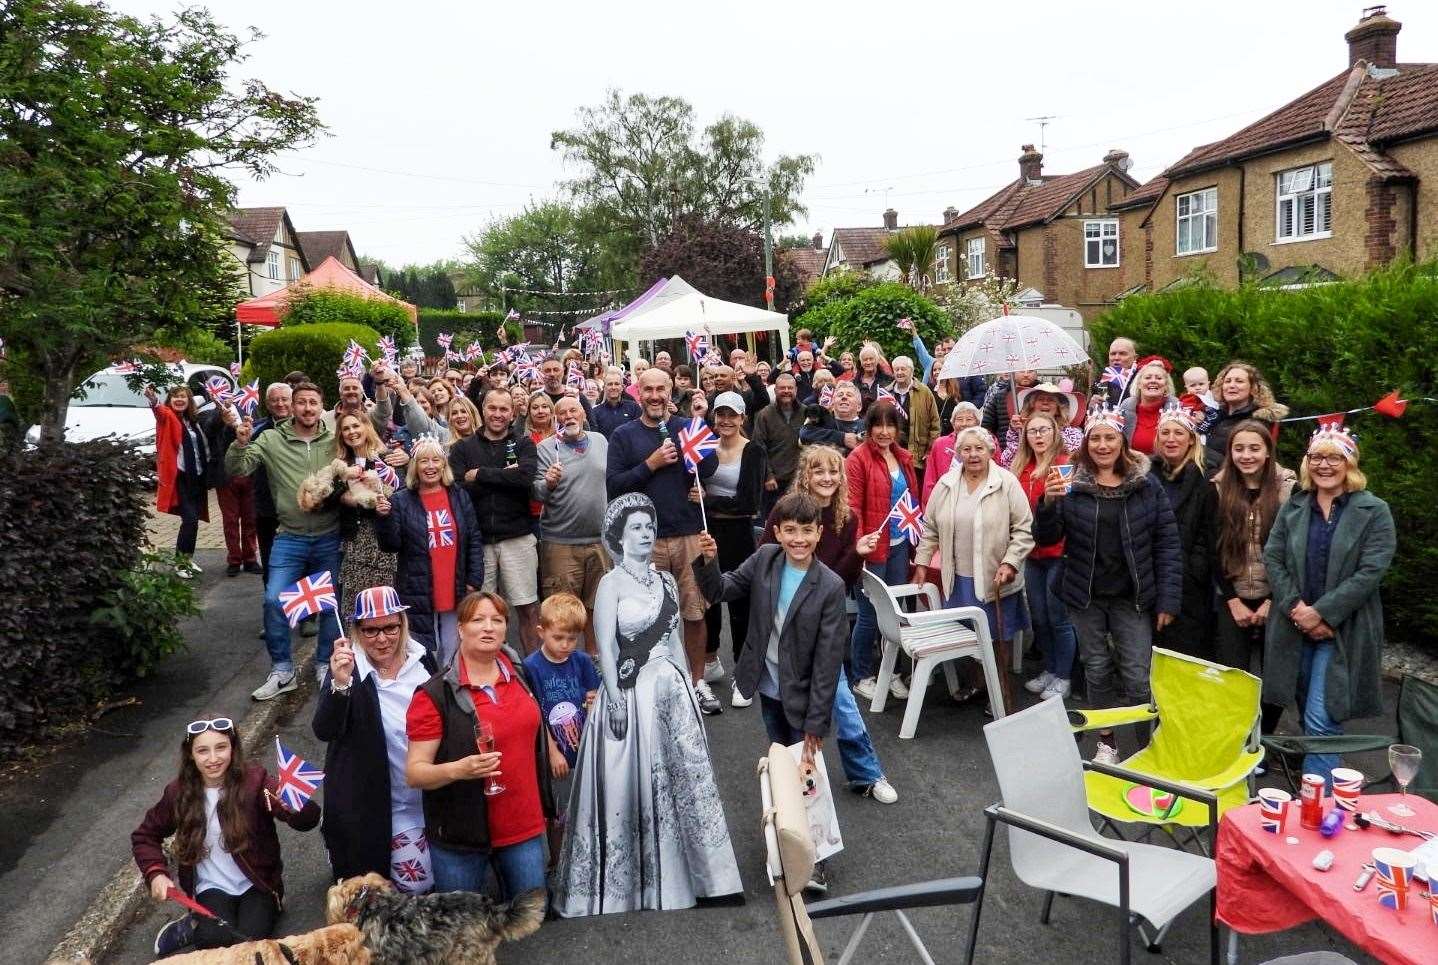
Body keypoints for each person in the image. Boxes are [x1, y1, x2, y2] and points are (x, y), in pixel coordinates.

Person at [552, 494, 743, 916]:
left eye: (648, 527)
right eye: (635, 527)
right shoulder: (610, 584)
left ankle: (700, 878)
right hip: (630, 693)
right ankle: (625, 885)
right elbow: (605, 647)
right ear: (619, 537)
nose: (644, 534)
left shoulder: (667, 582)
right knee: (629, 782)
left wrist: (689, 688)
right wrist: (615, 699)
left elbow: (673, 639)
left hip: (670, 690)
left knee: (684, 779)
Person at [694, 492, 850, 893]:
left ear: (819, 533)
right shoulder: (765, 560)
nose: (799, 539)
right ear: (776, 532)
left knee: (809, 773)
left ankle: (814, 860)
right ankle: (786, 845)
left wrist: (817, 723)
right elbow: (722, 590)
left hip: (805, 694)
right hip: (769, 687)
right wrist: (708, 562)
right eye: (790, 531)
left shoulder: (830, 586)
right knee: (784, 768)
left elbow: (828, 663)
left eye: (807, 531)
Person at [1035, 405, 1182, 764]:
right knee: (1097, 670)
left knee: (1137, 675)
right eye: (1096, 438)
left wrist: (1168, 600)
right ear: (1087, 443)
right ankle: (1107, 742)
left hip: (1132, 597)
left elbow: (1167, 542)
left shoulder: (1146, 485)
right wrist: (1048, 502)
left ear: (1123, 441)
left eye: (1110, 437)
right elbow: (1046, 537)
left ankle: (1148, 745)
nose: (1103, 445)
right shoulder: (1071, 482)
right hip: (1085, 596)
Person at [760, 448, 897, 806]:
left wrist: (858, 553)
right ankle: (790, 778)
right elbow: (762, 563)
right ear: (805, 474)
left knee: (843, 705)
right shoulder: (785, 510)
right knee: (784, 710)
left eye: (833, 472)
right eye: (818, 470)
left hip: (824, 629)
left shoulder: (847, 519)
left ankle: (867, 774)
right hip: (785, 627)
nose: (826, 478)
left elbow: (843, 578)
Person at [1263, 427, 1395, 784]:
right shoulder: (1294, 505)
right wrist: (1298, 609)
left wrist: (1321, 613)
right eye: (1316, 457)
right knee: (1306, 710)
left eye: (1334, 457)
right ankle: (1323, 785)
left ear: (1350, 462)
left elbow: (1371, 572)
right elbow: (1273, 558)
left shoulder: (1374, 510)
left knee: (1324, 717)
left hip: (1342, 628)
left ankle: (1316, 803)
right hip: (1294, 624)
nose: (1324, 465)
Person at [405, 592, 554, 900]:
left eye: (497, 620)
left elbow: (537, 725)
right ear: (460, 629)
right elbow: (416, 773)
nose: (488, 628)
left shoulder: (521, 674)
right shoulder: (433, 695)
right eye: (478, 620)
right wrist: (459, 769)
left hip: (522, 823)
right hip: (462, 833)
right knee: (461, 931)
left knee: (530, 915)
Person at [132, 717, 320, 956]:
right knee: (214, 941)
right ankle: (193, 925)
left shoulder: (256, 781)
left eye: (221, 747)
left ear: (233, 748)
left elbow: (308, 821)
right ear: (190, 754)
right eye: (202, 751)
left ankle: (245, 913)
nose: (213, 759)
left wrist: (295, 806)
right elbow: (145, 835)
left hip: (257, 884)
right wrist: (156, 873)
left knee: (251, 944)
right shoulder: (177, 792)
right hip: (211, 887)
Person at [606, 368, 720, 713]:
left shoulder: (687, 427)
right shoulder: (623, 435)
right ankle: (648, 682)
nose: (655, 396)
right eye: (649, 389)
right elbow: (614, 486)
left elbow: (710, 466)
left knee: (694, 612)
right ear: (638, 392)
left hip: (687, 534)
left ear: (671, 391)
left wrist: (701, 483)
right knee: (645, 616)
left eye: (661, 389)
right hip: (643, 542)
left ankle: (697, 682)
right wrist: (650, 464)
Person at [313, 586, 437, 892]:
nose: (382, 639)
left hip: (427, 795)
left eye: (390, 627)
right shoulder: (347, 668)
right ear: (356, 630)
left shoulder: (423, 660)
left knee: (445, 878)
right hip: (375, 804)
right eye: (370, 630)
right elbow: (324, 729)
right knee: (413, 886)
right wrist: (340, 684)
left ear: (402, 624)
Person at [226, 383, 345, 697]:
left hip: (329, 536)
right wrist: (239, 444)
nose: (307, 408)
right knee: (273, 599)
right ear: (291, 406)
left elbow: (363, 459)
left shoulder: (335, 440)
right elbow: (238, 468)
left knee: (331, 604)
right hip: (289, 537)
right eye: (301, 402)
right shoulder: (270, 438)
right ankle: (282, 670)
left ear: (322, 407)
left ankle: (325, 665)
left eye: (313, 403)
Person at [913, 426, 1034, 713]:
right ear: (958, 453)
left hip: (995, 578)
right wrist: (921, 561)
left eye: (979, 448)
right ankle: (979, 682)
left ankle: (1000, 691)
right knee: (968, 636)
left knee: (996, 638)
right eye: (966, 449)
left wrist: (1010, 562)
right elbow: (930, 528)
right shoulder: (946, 484)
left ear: (991, 450)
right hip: (957, 577)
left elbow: (1024, 529)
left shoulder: (1006, 482)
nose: (973, 454)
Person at [1210, 419, 1297, 734]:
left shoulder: (1288, 489)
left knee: (1275, 675)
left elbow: (1293, 551)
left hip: (1275, 595)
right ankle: (1235, 736)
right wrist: (1231, 599)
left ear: (1267, 451)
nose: (1247, 455)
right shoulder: (1218, 488)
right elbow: (1213, 548)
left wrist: (1273, 600)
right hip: (1233, 594)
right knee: (1232, 673)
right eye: (1239, 448)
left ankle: (1265, 737)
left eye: (1254, 448)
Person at [375, 435, 485, 665]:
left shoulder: (459, 495)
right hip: (418, 588)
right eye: (424, 461)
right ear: (415, 466)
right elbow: (390, 545)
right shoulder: (401, 501)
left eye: (436, 460)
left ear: (444, 465)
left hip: (454, 584)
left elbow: (473, 538)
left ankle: (451, 693)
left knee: (454, 649)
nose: (430, 466)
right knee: (422, 652)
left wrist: (474, 578)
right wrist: (384, 519)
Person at [448, 391, 541, 655]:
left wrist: (480, 475)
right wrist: (503, 478)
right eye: (493, 408)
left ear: (512, 413)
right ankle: (490, 669)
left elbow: (524, 479)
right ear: (483, 409)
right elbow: (457, 489)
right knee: (480, 611)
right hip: (479, 542)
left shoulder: (523, 444)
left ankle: (532, 671)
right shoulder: (463, 448)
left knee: (527, 607)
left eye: (504, 409)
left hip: (517, 538)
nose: (498, 414)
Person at [845, 403, 918, 701]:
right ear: (869, 427)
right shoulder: (857, 458)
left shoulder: (902, 456)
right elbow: (852, 506)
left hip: (900, 544)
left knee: (896, 611)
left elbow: (911, 498)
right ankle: (861, 674)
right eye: (879, 425)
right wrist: (860, 541)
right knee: (869, 613)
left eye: (891, 426)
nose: (885, 432)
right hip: (873, 547)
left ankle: (892, 672)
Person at [698, 392, 769, 692]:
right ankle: (711, 660)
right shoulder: (703, 447)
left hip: (739, 533)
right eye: (720, 414)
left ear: (742, 418)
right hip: (707, 533)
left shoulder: (754, 451)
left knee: (741, 604)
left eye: (732, 415)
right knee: (707, 601)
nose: (726, 421)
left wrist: (708, 498)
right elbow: (690, 483)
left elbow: (749, 503)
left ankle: (743, 672)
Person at [1010, 412, 1078, 700]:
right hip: (1030, 552)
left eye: (1044, 430)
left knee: (1057, 616)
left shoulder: (1063, 465)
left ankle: (1064, 675)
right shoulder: (1020, 467)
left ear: (1054, 433)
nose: (1038, 436)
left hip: (1058, 552)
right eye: (1032, 431)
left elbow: (1069, 510)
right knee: (1039, 616)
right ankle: (1050, 668)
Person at [533, 396, 610, 648]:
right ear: (556, 419)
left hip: (600, 542)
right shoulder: (546, 448)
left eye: (573, 410)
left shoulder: (600, 441)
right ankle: (564, 666)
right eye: (562, 412)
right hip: (561, 544)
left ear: (583, 414)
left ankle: (595, 664)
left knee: (597, 610)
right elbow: (536, 493)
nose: (569, 416)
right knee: (563, 614)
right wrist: (549, 483)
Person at [1149, 404, 1216, 661]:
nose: (1171, 439)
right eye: (1165, 433)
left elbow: (1209, 532)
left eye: (1178, 433)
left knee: (1185, 652)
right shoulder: (1147, 475)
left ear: (1191, 439)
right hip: (1154, 574)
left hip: (1192, 581)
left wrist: (1193, 569)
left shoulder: (1207, 476)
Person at [522, 593, 600, 785]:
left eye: (572, 639)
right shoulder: (531, 667)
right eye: (558, 637)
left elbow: (593, 698)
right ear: (541, 632)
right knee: (559, 799)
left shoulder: (582, 661)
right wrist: (553, 752)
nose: (565, 645)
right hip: (554, 748)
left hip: (586, 746)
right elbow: (536, 714)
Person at [146, 383, 214, 579]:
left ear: (189, 400)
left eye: (183, 396)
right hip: (180, 477)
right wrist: (153, 400)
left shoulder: (193, 422)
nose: (179, 399)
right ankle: (180, 563)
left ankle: (187, 559)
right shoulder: (167, 417)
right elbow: (159, 411)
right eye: (175, 396)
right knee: (191, 519)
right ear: (169, 399)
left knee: (192, 521)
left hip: (197, 476)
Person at [1203, 361, 1289, 476]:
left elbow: (1247, 462)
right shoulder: (1213, 416)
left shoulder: (1258, 422)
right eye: (1227, 381)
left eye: (1239, 381)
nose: (1231, 385)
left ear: (1252, 388)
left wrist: (1202, 452)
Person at [250, 383, 292, 582]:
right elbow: (243, 465)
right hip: (268, 510)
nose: (280, 404)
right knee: (270, 562)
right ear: (267, 403)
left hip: (299, 511)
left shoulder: (308, 428)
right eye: (275, 400)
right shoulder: (257, 431)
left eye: (285, 399)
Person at [750, 372, 803, 521]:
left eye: (790, 388)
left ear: (796, 390)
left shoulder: (806, 412)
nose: (786, 391)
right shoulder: (764, 415)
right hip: (774, 482)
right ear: (775, 390)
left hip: (799, 480)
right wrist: (768, 475)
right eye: (782, 388)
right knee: (775, 522)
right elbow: (759, 448)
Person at [997, 382, 1082, 469]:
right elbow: (1007, 463)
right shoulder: (1020, 431)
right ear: (1032, 405)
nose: (1045, 402)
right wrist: (1016, 432)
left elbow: (1078, 464)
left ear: (1058, 408)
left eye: (1051, 400)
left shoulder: (1073, 434)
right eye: (1040, 399)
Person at [887, 356, 941, 483]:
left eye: (903, 369)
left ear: (911, 371)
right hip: (891, 454)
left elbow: (935, 425)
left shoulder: (924, 392)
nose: (899, 372)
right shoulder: (886, 392)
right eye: (896, 369)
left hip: (917, 457)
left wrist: (930, 451)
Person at [922, 401, 982, 504]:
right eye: (959, 419)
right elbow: (930, 480)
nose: (964, 424)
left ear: (977, 423)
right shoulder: (940, 444)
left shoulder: (987, 443)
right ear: (953, 423)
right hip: (944, 502)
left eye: (969, 419)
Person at [1118, 357, 1176, 455]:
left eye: (1159, 378)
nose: (1153, 381)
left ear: (1166, 385)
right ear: (1139, 384)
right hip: (1131, 467)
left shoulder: (1178, 411)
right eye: (1148, 377)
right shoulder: (1124, 410)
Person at [979, 370, 1039, 445]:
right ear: (1013, 373)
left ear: (1036, 373)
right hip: (1006, 448)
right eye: (1021, 371)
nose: (1026, 375)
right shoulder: (999, 397)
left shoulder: (1045, 396)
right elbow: (987, 428)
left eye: (1030, 371)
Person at [800, 381, 864, 452]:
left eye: (849, 395)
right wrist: (842, 438)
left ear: (859, 406)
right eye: (840, 395)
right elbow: (804, 434)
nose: (844, 397)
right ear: (833, 404)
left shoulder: (868, 425)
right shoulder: (821, 423)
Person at [591, 367, 641, 437]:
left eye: (617, 384)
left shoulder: (634, 408)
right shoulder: (595, 412)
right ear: (604, 387)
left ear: (622, 387)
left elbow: (639, 433)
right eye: (610, 384)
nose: (613, 387)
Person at [1091, 337, 1138, 406]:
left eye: (1122, 354)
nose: (1116, 358)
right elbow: (1101, 403)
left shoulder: (1142, 378)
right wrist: (1093, 404)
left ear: (1135, 358)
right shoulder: (1104, 378)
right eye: (1113, 354)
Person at [853, 343, 892, 408]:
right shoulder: (854, 383)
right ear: (861, 363)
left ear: (877, 360)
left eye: (871, 359)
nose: (868, 362)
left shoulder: (888, 380)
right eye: (865, 360)